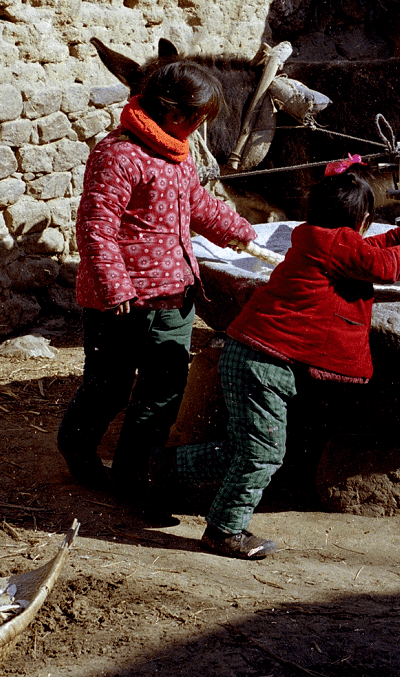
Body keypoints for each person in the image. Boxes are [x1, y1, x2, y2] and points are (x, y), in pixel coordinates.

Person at [159, 157, 400, 558]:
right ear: (361, 221)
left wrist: (399, 236)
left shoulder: (314, 237)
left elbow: (364, 251)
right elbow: (385, 267)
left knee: (241, 451)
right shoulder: (340, 246)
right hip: (262, 365)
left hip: (249, 356)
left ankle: (157, 472)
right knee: (263, 454)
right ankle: (224, 530)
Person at [57, 59, 256, 505]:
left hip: (174, 296)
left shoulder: (177, 155)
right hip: (121, 303)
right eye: (199, 119)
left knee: (163, 390)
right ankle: (77, 447)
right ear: (176, 115)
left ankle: (134, 473)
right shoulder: (118, 155)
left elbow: (198, 204)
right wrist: (116, 287)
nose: (200, 127)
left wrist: (239, 232)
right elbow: (95, 226)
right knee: (107, 387)